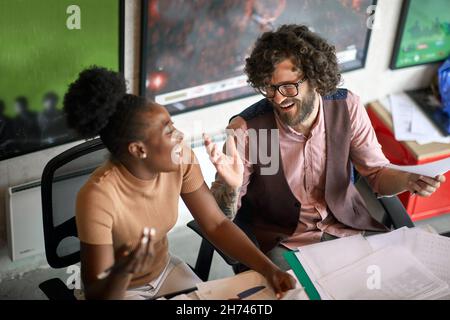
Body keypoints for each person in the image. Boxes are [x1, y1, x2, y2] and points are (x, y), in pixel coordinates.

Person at [205, 24, 446, 272]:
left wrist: (407, 180)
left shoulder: (347, 107)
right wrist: (231, 188)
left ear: (316, 80)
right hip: (282, 245)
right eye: (270, 88)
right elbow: (218, 218)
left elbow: (377, 174)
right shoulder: (248, 130)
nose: (278, 99)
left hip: (347, 229)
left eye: (288, 87)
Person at [63, 66, 295, 300]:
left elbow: (215, 224)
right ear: (138, 149)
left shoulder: (181, 158)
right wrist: (125, 271)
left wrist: (268, 269)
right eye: (168, 131)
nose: (180, 136)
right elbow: (98, 294)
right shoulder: (97, 196)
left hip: (165, 272)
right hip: (119, 289)